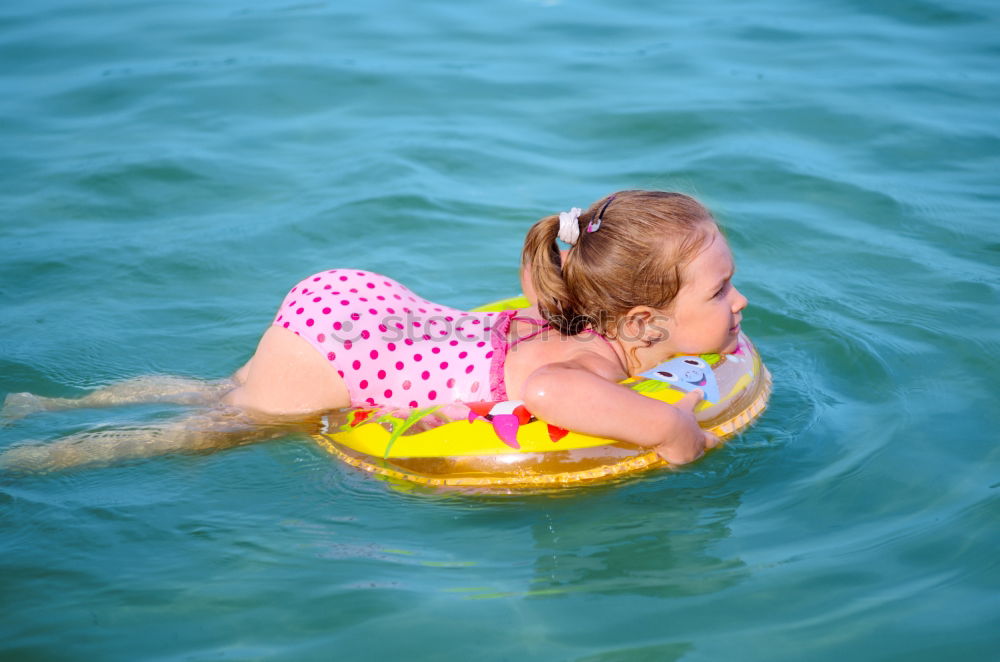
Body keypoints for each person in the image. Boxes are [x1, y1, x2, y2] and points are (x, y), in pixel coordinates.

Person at [1, 190, 747, 471]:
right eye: (721, 290)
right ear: (643, 322)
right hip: (337, 353)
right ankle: (46, 456)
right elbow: (552, 391)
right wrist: (677, 433)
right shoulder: (590, 369)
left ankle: (49, 406)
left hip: (355, 309)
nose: (740, 303)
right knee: (220, 427)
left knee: (220, 391)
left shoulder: (574, 315)